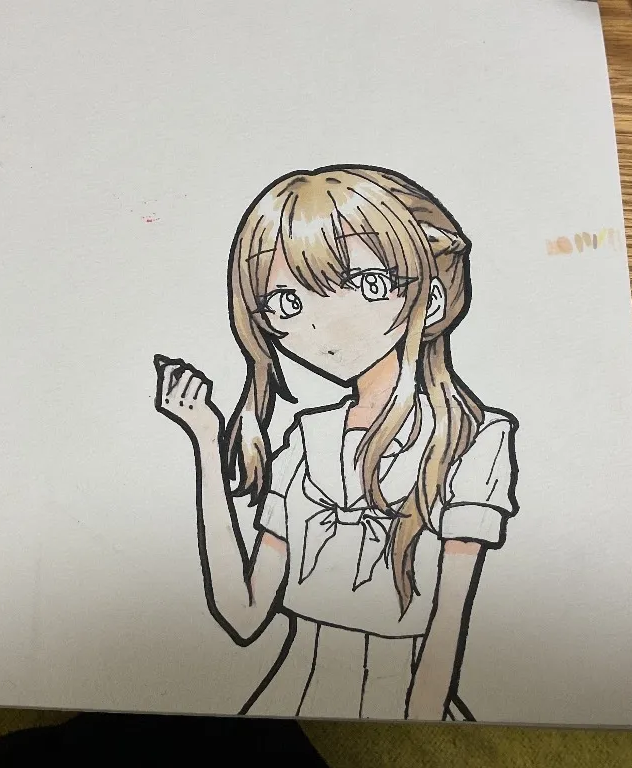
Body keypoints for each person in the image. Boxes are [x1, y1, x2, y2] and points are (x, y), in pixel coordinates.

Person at [154, 165, 519, 721]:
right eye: (285, 301)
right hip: (290, 697)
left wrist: (417, 734)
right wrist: (206, 438)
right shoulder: (308, 440)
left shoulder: (473, 440)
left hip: (406, 704)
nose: (318, 321)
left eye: (362, 283)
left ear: (431, 299)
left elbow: (448, 628)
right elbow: (243, 614)